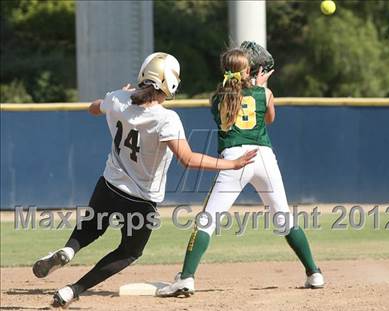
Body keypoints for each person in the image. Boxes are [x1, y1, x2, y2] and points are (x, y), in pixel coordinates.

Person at [32, 52, 257, 308]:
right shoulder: (166, 119)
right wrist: (232, 163)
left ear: (142, 75)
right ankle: (72, 290)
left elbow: (93, 108)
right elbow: (188, 159)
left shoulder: (117, 99)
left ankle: (69, 250)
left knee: (91, 228)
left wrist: (119, 94)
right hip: (141, 199)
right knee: (129, 251)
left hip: (109, 184)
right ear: (171, 85)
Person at [157, 48, 324, 297]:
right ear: (248, 70)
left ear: (224, 71)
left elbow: (229, 112)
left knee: (206, 221)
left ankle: (187, 278)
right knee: (283, 217)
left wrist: (247, 84)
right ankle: (314, 273)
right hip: (264, 158)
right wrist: (261, 86)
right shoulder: (264, 93)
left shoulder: (216, 99)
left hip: (235, 159)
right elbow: (269, 119)